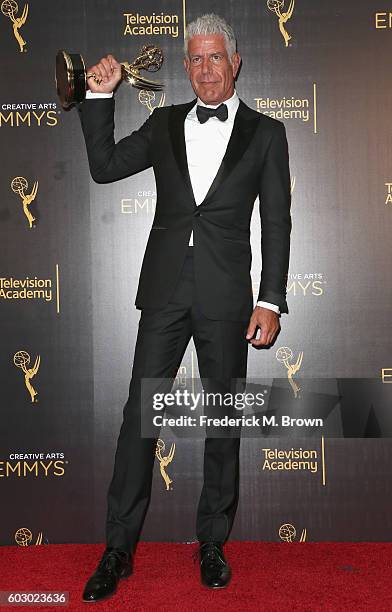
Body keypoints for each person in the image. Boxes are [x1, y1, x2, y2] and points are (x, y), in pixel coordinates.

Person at [78, 13, 291, 603]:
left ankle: (213, 542)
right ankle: (117, 549)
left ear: (236, 62)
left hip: (228, 296)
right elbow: (103, 167)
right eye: (194, 59)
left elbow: (276, 221)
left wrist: (271, 299)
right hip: (166, 291)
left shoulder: (266, 133)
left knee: (221, 419)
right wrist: (98, 92)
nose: (204, 70)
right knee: (138, 419)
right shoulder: (166, 122)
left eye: (214, 57)